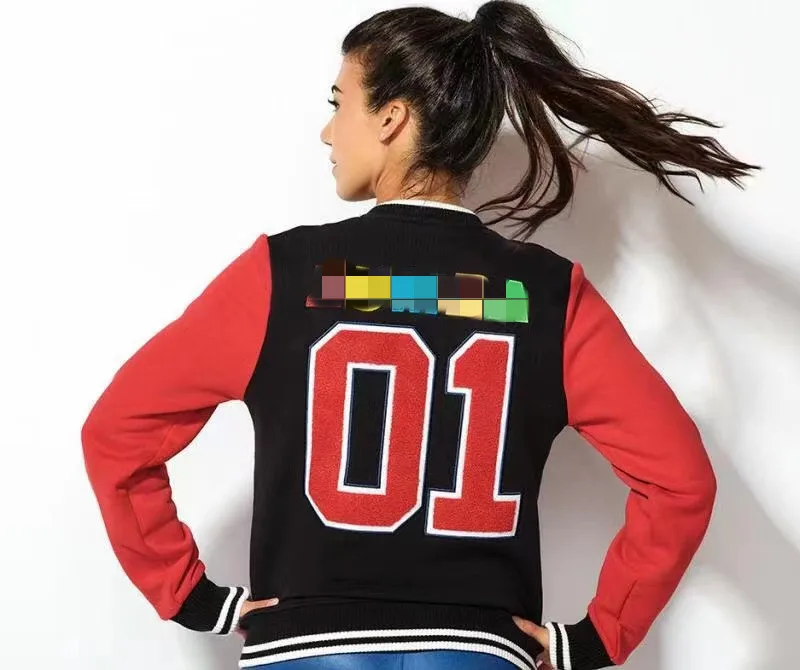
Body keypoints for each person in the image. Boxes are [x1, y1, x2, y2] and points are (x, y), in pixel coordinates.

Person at [81, 2, 759, 669]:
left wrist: (190, 596)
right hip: (479, 653)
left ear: (392, 118)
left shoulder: (282, 275)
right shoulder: (545, 296)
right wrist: (599, 636)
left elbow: (118, 432)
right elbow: (681, 482)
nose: (327, 132)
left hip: (306, 651)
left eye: (339, 103)